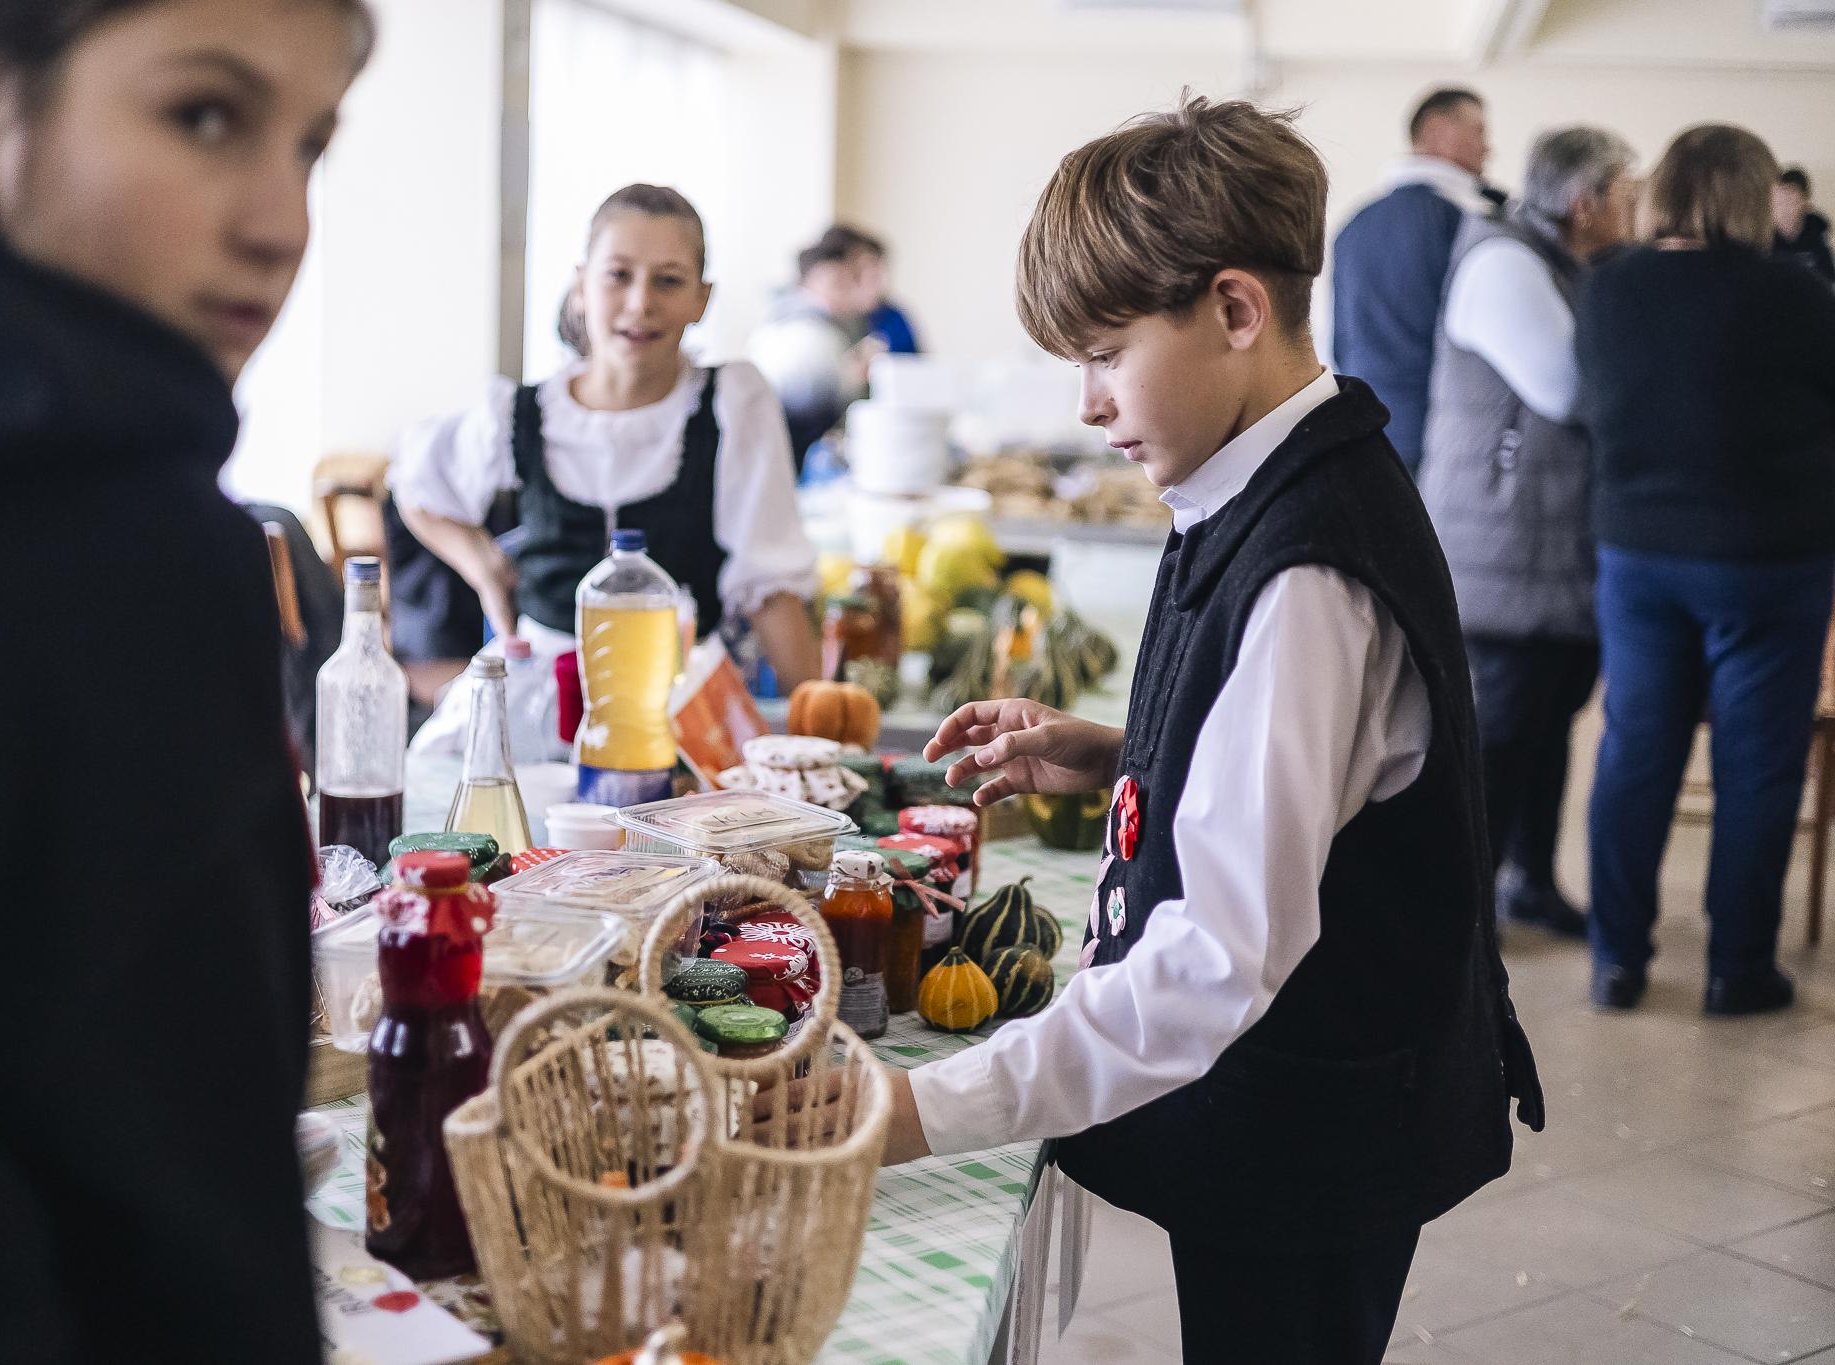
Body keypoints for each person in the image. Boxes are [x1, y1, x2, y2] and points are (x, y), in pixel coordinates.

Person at [879, 97, 1540, 1365]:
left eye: (1104, 354)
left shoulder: (1307, 572)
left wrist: (915, 1113)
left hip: (1314, 1132)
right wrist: (1122, 752)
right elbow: (1311, 770)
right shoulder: (1274, 469)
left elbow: (1212, 964)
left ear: (1234, 310)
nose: (1086, 404)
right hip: (1301, 1107)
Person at [0, 0, 371, 1358]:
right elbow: (191, 1214)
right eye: (205, 117)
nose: (281, 224)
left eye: (309, 146)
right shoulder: (128, 550)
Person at [1577, 124, 1835, 1016]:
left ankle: (1617, 960)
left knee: (1635, 754)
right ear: (1750, 195)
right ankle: (1738, 969)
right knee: (1758, 768)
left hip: (1638, 552)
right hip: (1770, 560)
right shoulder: (1799, 293)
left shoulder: (1606, 288)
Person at [389, 184, 821, 690]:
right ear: (581, 286)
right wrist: (482, 568)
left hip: (676, 691)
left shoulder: (732, 404)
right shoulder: (520, 414)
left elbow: (771, 588)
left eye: (669, 281)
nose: (640, 303)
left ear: (701, 299)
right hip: (542, 687)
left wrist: (815, 715)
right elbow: (417, 485)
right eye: (618, 275)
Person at [1420, 126, 1638, 940]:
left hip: (1546, 546)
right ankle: (1462, 915)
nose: (1635, 208)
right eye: (1626, 193)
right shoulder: (1505, 262)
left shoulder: (1562, 262)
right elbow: (1570, 387)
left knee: (1547, 726)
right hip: (1503, 546)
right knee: (1503, 735)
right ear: (1585, 202)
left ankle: (1530, 883)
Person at [1331, 87, 1503, 474]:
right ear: (1437, 131)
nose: (1488, 148)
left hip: (1367, 433)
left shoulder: (1353, 225)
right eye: (1478, 131)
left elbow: (1341, 342)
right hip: (1445, 440)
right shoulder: (1467, 224)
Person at [746, 223, 889, 469]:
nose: (848, 292)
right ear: (809, 283)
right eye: (838, 283)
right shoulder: (809, 335)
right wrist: (855, 379)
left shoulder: (780, 321)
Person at [1773, 165, 1835, 284]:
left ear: (1806, 205)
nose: (1783, 210)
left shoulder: (1817, 233)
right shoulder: (1762, 238)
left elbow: (1828, 278)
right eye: (1778, 202)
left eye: (1790, 201)